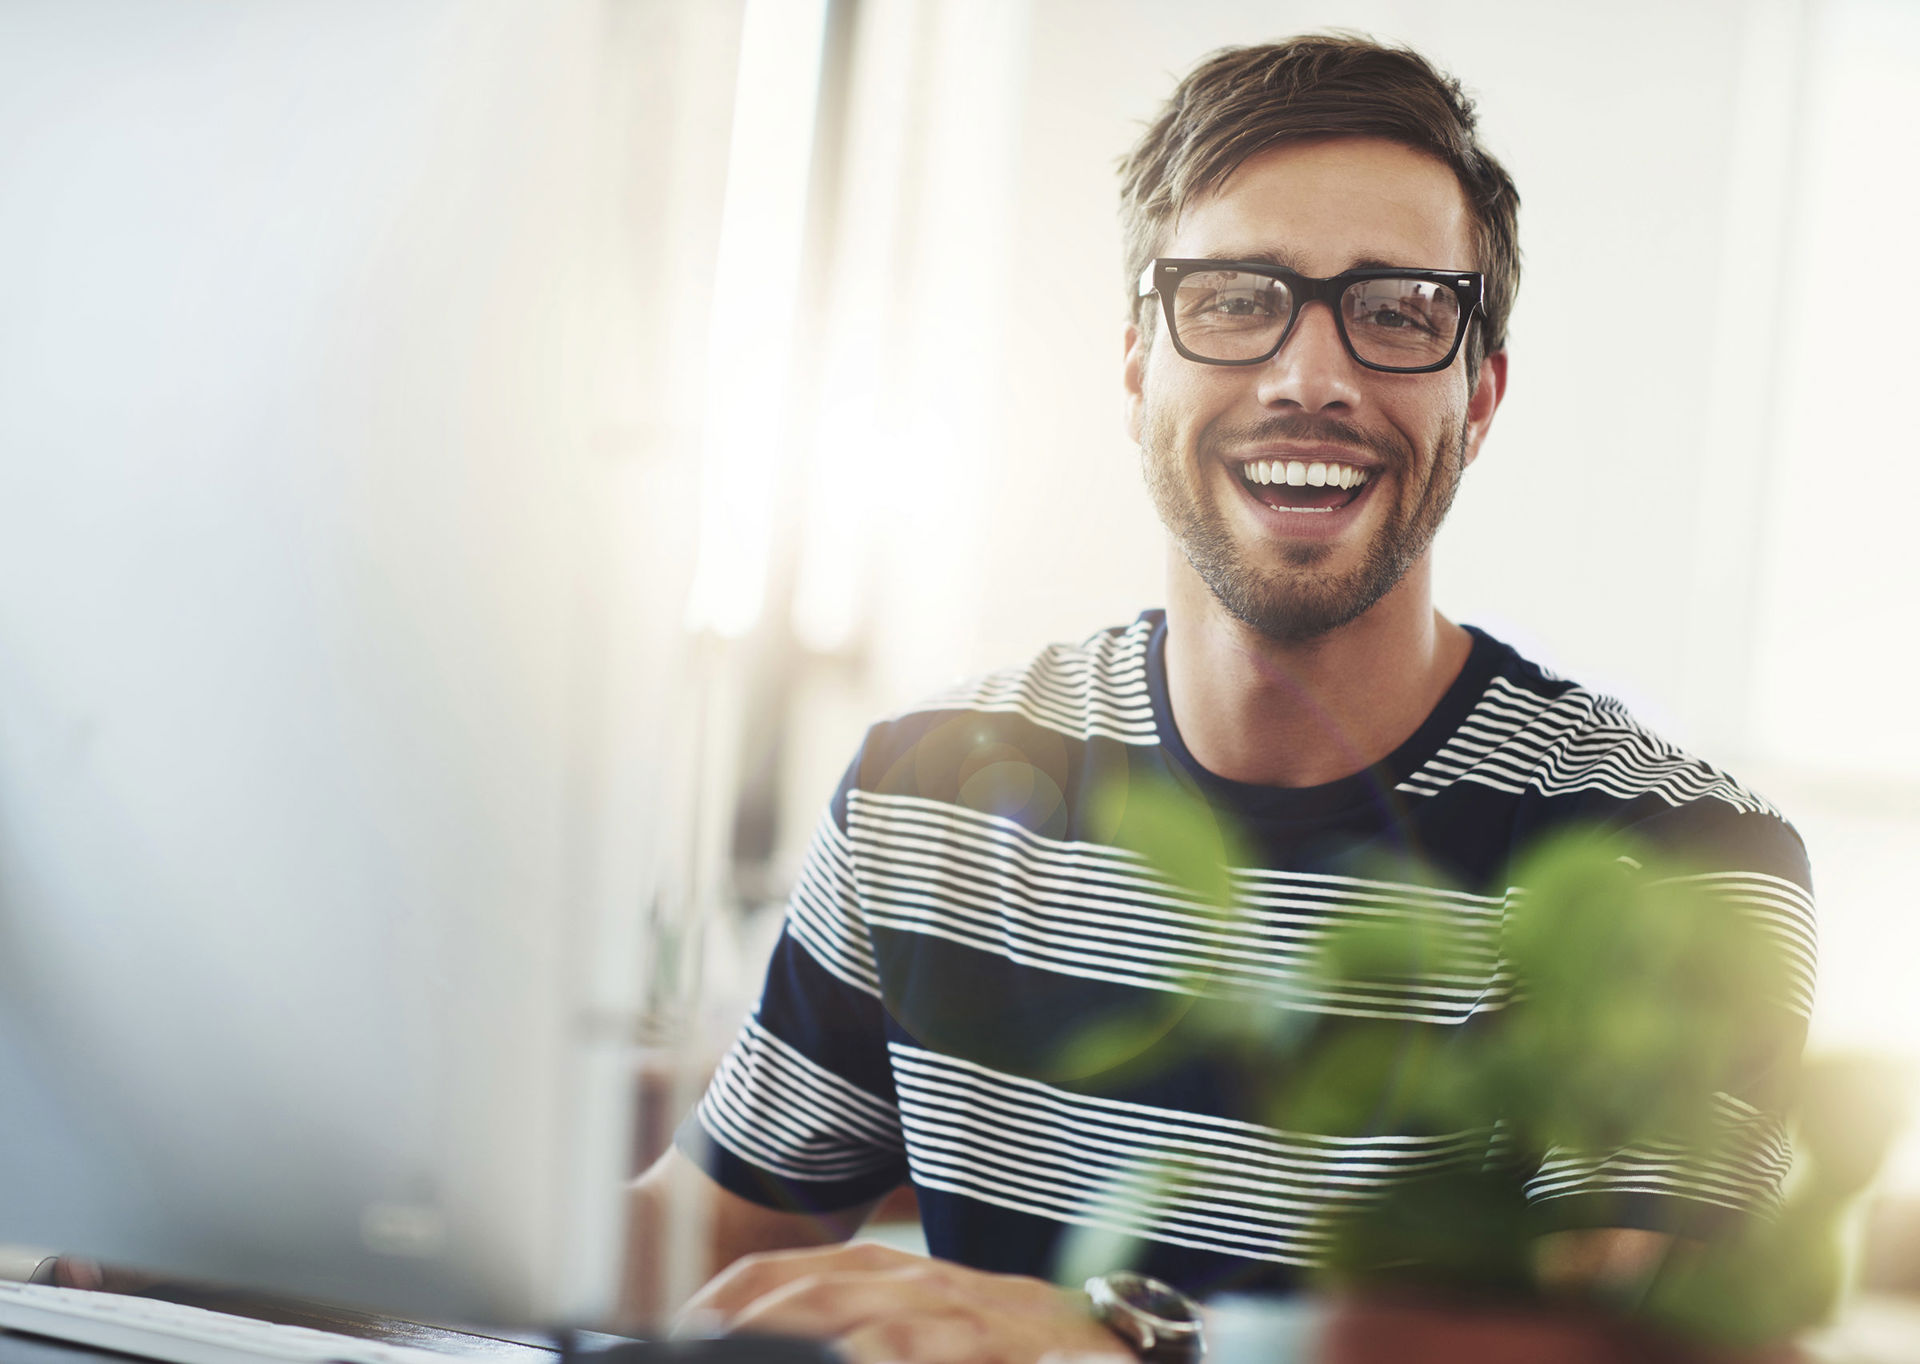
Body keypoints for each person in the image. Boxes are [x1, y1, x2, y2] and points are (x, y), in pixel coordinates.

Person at [621, 33, 1816, 1363]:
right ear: (1137, 366)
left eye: (1401, 312)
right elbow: (695, 1244)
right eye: (1237, 300)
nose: (1311, 377)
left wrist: (1128, 1343)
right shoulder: (929, 793)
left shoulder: (1682, 867)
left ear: (1479, 398)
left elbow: (1602, 1352)